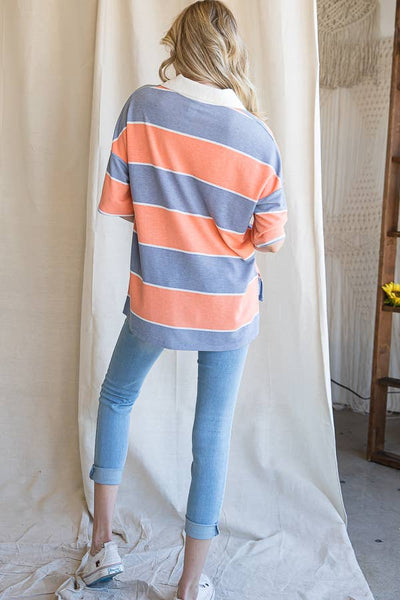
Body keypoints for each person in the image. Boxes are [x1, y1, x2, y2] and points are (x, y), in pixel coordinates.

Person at [81, 1, 288, 598]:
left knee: (117, 396)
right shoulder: (257, 137)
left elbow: (120, 204)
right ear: (231, 51)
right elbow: (271, 241)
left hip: (157, 296)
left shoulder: (141, 107)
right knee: (212, 430)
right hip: (227, 306)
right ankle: (191, 585)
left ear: (180, 43)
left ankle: (101, 546)